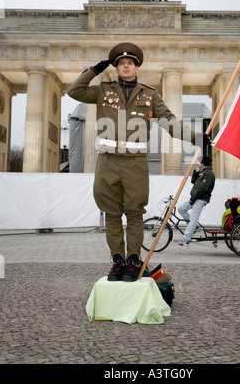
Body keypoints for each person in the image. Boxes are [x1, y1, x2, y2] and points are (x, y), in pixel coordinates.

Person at [68, 42, 209, 281]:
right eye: (121, 63)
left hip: (135, 163)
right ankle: (117, 261)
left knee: (134, 213)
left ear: (136, 68)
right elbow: (75, 91)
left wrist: (198, 138)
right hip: (107, 160)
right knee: (111, 213)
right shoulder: (102, 91)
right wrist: (94, 69)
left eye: (130, 63)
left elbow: (169, 122)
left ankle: (133, 260)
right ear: (115, 67)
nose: (125, 66)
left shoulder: (149, 94)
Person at [178, 155, 215, 246]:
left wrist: (193, 199)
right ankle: (193, 228)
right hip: (195, 197)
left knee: (193, 218)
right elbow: (193, 181)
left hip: (200, 199)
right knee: (181, 209)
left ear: (203, 163)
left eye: (199, 161)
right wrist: (197, 170)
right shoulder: (202, 172)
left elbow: (202, 189)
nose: (197, 163)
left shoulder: (209, 174)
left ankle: (186, 239)